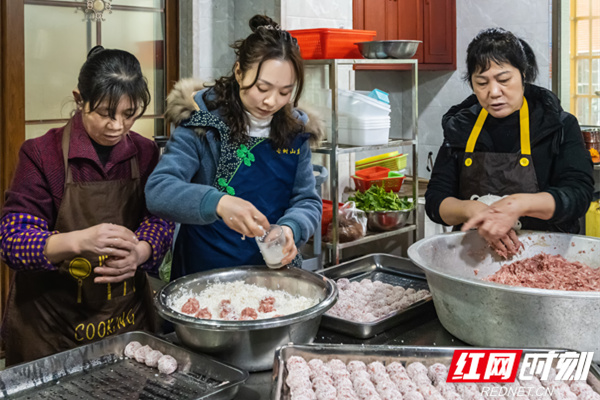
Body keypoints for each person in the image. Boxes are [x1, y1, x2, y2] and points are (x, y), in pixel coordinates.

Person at [0, 46, 174, 365]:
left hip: (124, 321)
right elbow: (12, 239)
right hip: (50, 327)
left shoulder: (146, 152)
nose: (117, 126)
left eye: (129, 113)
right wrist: (79, 241)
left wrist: (142, 251)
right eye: (105, 113)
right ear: (80, 99)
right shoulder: (42, 154)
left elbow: (160, 219)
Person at [145, 15, 323, 278]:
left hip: (274, 272)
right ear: (239, 72)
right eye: (262, 88)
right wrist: (218, 203)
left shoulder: (295, 131)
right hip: (205, 271)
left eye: (285, 92)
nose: (271, 101)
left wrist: (290, 229)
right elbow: (159, 191)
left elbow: (307, 199)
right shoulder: (202, 122)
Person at [425, 28, 594, 257]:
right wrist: (471, 210)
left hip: (546, 256)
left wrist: (520, 205)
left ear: (523, 74)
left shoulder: (557, 124)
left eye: (504, 79)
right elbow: (436, 200)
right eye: (481, 83)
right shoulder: (461, 126)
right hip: (475, 256)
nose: (493, 92)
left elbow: (578, 194)